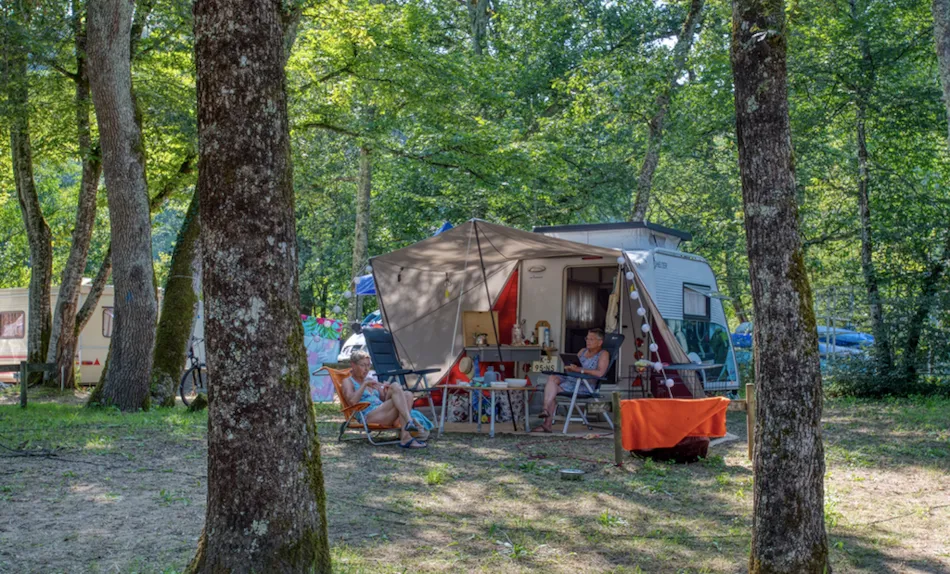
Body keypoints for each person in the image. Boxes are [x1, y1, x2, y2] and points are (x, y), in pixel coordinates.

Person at [343, 350, 432, 449]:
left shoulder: (369, 381)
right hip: (369, 416)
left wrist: (386, 390)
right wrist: (364, 385)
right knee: (396, 387)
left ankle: (406, 434)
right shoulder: (348, 381)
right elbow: (352, 402)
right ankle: (409, 423)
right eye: (363, 365)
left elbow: (382, 400)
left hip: (383, 412)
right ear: (353, 365)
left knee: (407, 394)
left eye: (368, 365)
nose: (366, 369)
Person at [532, 328, 610, 433]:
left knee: (552, 389)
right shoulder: (583, 351)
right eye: (587, 338)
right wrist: (569, 367)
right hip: (571, 380)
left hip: (584, 385)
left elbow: (600, 373)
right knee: (552, 378)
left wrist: (579, 370)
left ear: (600, 342)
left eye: (591, 339)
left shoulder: (603, 354)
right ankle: (545, 409)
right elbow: (574, 364)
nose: (588, 341)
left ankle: (547, 422)